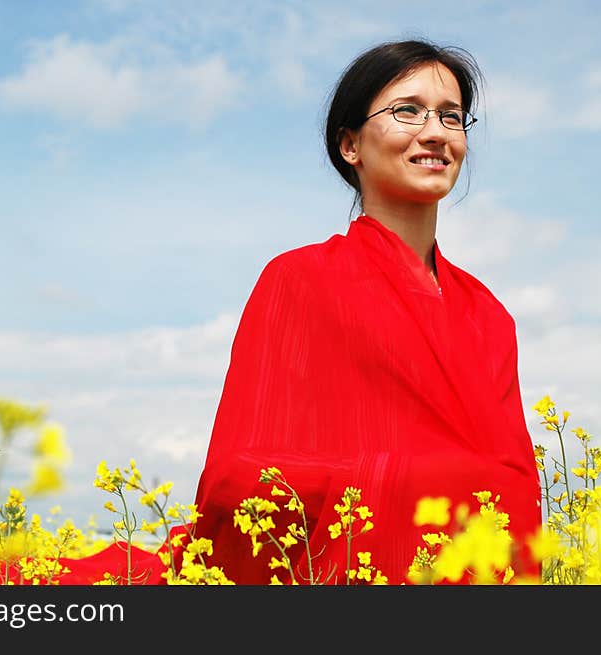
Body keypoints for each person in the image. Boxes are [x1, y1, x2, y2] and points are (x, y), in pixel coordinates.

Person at [188, 38, 543, 585]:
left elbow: (518, 488)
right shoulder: (299, 279)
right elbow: (235, 481)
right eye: (408, 110)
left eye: (451, 117)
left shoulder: (489, 316)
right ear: (351, 145)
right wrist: (421, 482)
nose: (435, 132)